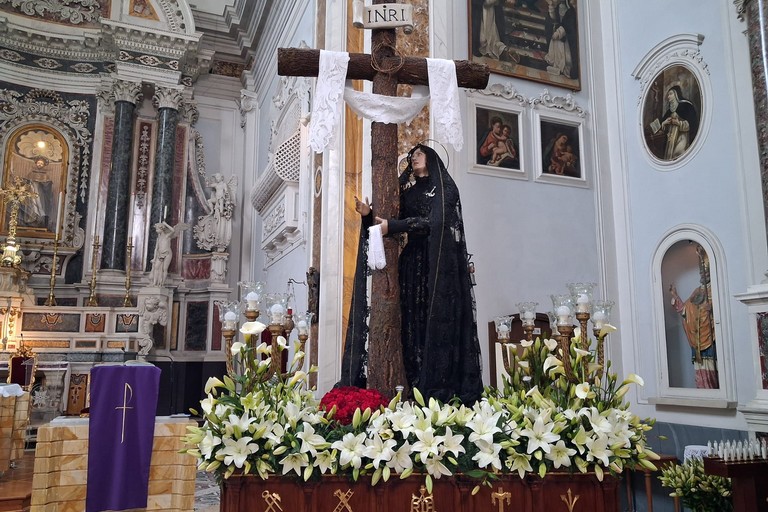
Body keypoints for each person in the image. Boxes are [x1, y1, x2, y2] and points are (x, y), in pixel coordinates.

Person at [340, 144, 484, 405]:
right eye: (411, 156)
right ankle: (413, 385)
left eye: (418, 153)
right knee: (409, 323)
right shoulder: (407, 191)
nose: (413, 158)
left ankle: (437, 387)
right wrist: (368, 216)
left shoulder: (445, 189)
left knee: (433, 321)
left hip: (438, 266)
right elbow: (388, 223)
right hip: (411, 264)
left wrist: (395, 225)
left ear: (431, 157)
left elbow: (434, 223)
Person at [668, 247, 718, 389]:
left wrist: (713, 309)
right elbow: (686, 309)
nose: (703, 274)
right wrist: (675, 296)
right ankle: (703, 390)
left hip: (709, 335)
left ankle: (714, 391)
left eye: (705, 272)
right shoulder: (698, 291)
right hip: (696, 337)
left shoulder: (715, 289)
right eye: (701, 272)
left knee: (711, 367)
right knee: (700, 368)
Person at [660, 86, 699, 160]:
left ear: (676, 94)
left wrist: (679, 123)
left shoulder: (686, 106)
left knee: (678, 154)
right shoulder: (670, 110)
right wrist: (664, 122)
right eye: (668, 95)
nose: (668, 97)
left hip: (682, 137)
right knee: (670, 156)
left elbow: (692, 123)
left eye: (670, 94)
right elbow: (663, 124)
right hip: (671, 139)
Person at [544, 0, 578, 79]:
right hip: (557, 38)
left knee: (566, 57)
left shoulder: (570, 11)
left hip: (566, 39)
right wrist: (551, 10)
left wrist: (560, 32)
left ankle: (566, 68)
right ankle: (557, 66)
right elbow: (553, 21)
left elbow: (569, 25)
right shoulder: (556, 8)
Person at [149, 221, 189, 287]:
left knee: (164, 269)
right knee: (156, 267)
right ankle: (154, 283)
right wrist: (154, 258)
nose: (156, 231)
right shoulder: (158, 238)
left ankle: (162, 283)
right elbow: (156, 248)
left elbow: (173, 230)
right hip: (160, 254)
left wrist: (166, 224)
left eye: (157, 229)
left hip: (167, 253)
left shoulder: (167, 235)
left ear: (162, 229)